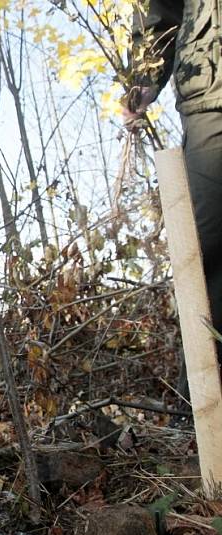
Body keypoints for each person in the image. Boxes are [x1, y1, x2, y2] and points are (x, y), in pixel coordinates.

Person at [124, 1, 222, 396]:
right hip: (212, 92)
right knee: (208, 249)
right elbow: (159, 9)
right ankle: (204, 408)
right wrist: (142, 76)